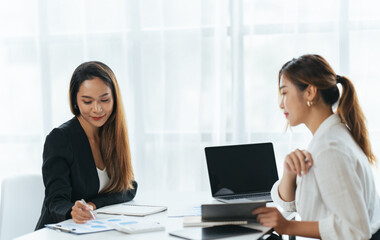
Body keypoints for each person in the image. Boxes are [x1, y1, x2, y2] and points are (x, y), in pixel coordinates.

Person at [253, 54, 380, 239]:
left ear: (310, 92)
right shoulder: (331, 137)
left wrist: (288, 227)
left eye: (285, 92)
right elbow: (292, 204)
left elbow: (355, 231)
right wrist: (290, 173)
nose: (281, 104)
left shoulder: (330, 149)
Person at [36, 61, 137, 230]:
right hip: (60, 231)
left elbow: (128, 187)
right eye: (87, 101)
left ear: (114, 99)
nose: (97, 109)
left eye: (104, 100)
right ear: (75, 101)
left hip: (94, 230)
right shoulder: (60, 139)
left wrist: (92, 204)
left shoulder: (111, 134)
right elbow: (55, 201)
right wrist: (73, 210)